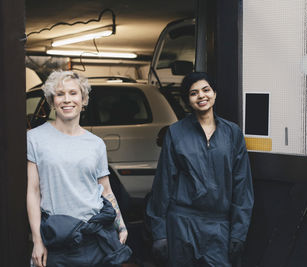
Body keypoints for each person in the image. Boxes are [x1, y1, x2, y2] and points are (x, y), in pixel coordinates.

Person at [146, 72, 254, 266]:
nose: (201, 96)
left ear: (215, 93)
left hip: (219, 227)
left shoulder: (232, 133)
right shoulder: (176, 132)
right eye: (193, 93)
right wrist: (159, 232)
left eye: (206, 90)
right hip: (182, 225)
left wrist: (238, 232)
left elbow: (242, 185)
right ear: (188, 100)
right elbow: (163, 184)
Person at [27, 70, 132, 267]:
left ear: (83, 99)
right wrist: (37, 240)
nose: (67, 100)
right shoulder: (34, 139)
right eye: (60, 94)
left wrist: (121, 226)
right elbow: (32, 192)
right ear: (52, 101)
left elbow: (106, 190)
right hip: (56, 236)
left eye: (73, 93)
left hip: (93, 236)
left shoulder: (96, 144)